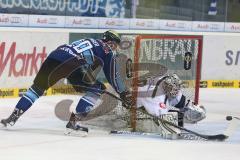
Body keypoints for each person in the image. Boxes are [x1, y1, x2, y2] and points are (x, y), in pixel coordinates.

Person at [0, 30, 133, 134]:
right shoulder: (107, 49)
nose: (115, 48)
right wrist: (122, 93)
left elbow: (70, 51)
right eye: (115, 45)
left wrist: (77, 78)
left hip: (54, 56)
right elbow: (113, 77)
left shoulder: (89, 40)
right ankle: (74, 122)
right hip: (72, 63)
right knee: (98, 89)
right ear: (113, 43)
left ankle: (12, 118)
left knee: (36, 89)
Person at [136, 73, 206, 126]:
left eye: (176, 88)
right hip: (136, 106)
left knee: (175, 99)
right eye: (173, 89)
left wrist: (190, 105)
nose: (176, 91)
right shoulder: (158, 97)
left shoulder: (165, 80)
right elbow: (162, 119)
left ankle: (190, 111)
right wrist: (181, 117)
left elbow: (177, 96)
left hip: (143, 93)